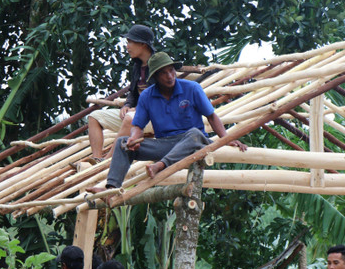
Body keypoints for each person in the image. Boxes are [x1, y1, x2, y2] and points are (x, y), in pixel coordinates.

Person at [89, 52, 247, 194]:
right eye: (164, 73)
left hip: (193, 143)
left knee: (195, 134)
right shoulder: (147, 97)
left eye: (171, 70)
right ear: (155, 77)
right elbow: (137, 126)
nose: (170, 76)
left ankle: (160, 166)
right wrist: (133, 140)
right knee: (122, 143)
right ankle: (110, 189)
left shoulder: (192, 88)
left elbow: (212, 117)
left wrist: (227, 139)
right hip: (165, 145)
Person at [87, 24, 157, 161]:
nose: (127, 46)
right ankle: (96, 158)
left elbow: (160, 96)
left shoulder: (158, 64)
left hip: (155, 118)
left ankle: (107, 161)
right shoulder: (137, 66)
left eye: (130, 42)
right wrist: (127, 105)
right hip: (136, 117)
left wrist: (137, 109)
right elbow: (133, 92)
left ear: (143, 44)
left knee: (130, 117)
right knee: (94, 117)